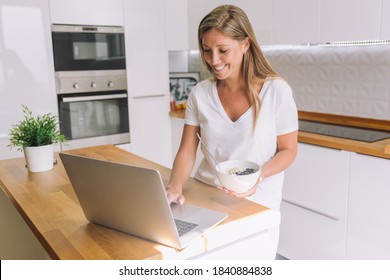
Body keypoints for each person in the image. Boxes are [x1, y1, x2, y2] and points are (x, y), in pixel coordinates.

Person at [166, 4, 298, 258]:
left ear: (245, 44)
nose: (213, 60)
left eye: (223, 50)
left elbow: (288, 150)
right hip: (206, 199)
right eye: (207, 50)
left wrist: (257, 177)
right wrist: (175, 186)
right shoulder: (200, 93)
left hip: (257, 206)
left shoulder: (276, 91)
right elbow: (186, 151)